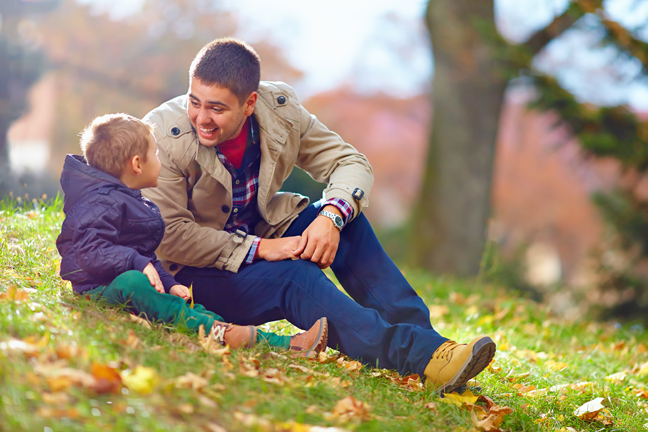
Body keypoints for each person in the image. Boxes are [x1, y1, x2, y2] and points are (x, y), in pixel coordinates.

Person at [142, 38, 496, 394]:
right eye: (194, 101)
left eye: (217, 109)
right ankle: (419, 355)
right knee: (293, 277)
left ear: (250, 103)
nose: (202, 118)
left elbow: (350, 163)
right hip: (193, 277)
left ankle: (436, 351)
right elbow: (171, 236)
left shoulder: (279, 112)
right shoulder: (163, 133)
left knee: (347, 220)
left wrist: (331, 217)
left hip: (258, 239)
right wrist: (261, 249)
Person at [56, 113, 328, 357]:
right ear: (137, 164)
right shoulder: (98, 202)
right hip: (98, 291)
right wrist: (137, 264)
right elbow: (87, 252)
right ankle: (230, 335)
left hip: (126, 284)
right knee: (134, 282)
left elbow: (145, 256)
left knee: (186, 305)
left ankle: (282, 345)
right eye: (156, 154)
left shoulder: (129, 199)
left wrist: (167, 281)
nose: (160, 161)